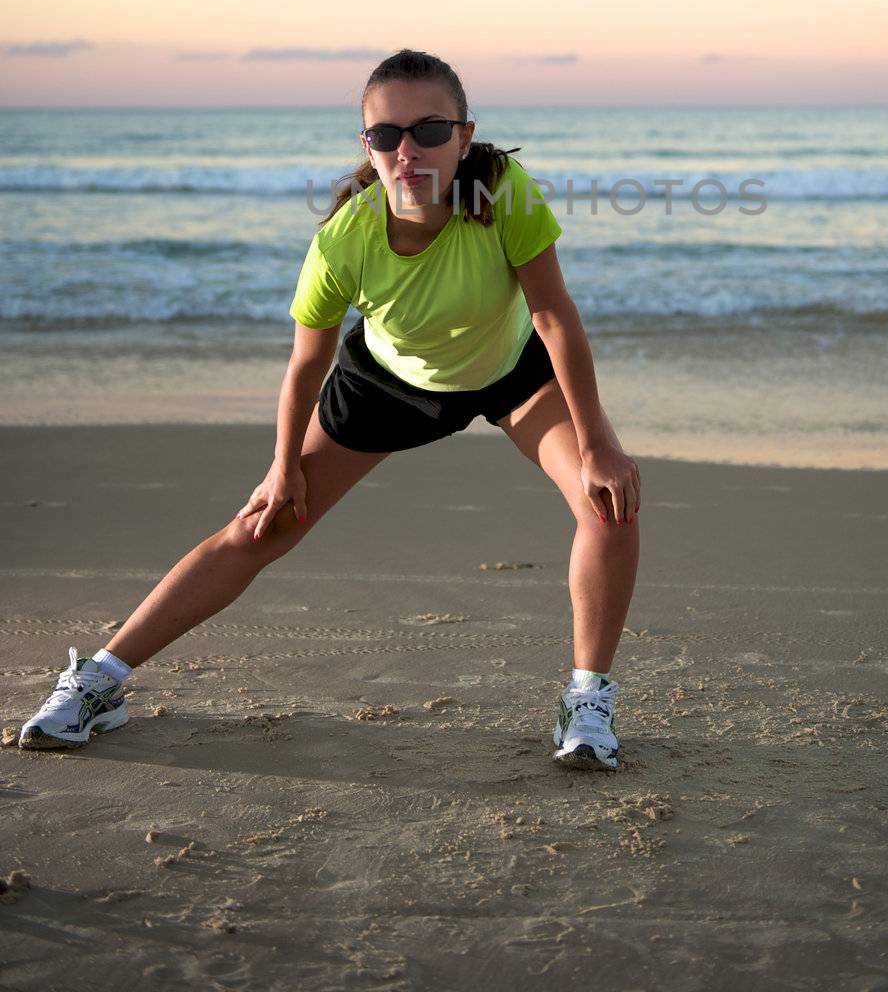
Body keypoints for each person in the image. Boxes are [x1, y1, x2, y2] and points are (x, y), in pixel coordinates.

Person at [20, 48, 642, 771]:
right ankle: (100, 680)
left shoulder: (504, 194)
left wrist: (596, 440)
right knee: (261, 524)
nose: (407, 150)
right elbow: (306, 364)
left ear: (465, 137)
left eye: (429, 129)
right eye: (386, 134)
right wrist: (281, 468)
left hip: (510, 375)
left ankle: (587, 701)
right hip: (387, 385)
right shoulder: (344, 239)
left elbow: (554, 316)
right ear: (367, 147)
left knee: (608, 499)